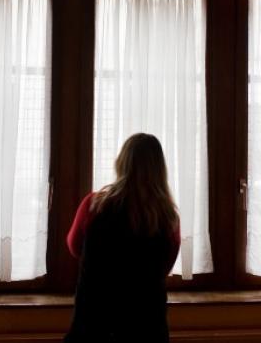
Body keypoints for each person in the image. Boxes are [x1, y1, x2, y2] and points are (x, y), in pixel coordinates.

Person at [64, 133, 181, 343]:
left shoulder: (94, 205)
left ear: (121, 163)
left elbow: (74, 246)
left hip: (95, 319)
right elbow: (165, 266)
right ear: (160, 169)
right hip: (147, 324)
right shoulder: (168, 216)